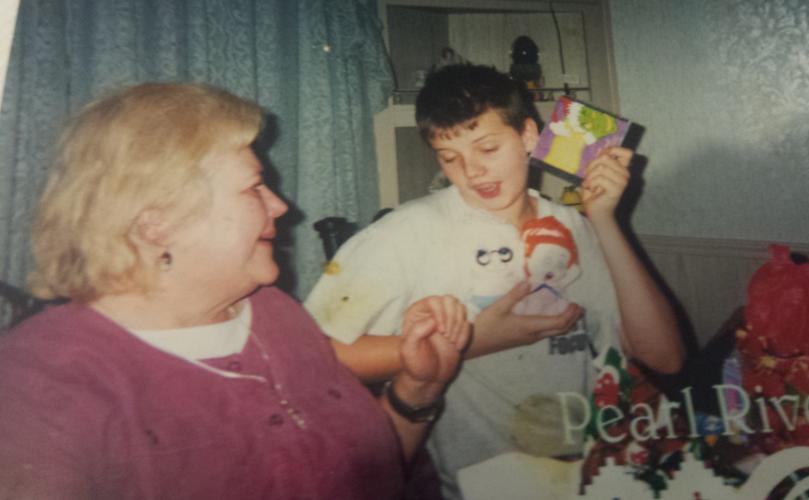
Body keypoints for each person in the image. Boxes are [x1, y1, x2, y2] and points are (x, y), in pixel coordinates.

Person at [0, 82, 471, 499]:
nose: (280, 205)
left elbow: (368, 472)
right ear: (156, 225)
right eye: (253, 188)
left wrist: (418, 390)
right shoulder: (42, 381)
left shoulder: (274, 313)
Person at [305, 63, 684, 499]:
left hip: (581, 476)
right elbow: (315, 357)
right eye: (450, 158)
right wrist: (474, 339)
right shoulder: (404, 233)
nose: (472, 172)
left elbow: (665, 357)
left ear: (527, 136)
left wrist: (604, 221)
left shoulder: (571, 226)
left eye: (487, 148)